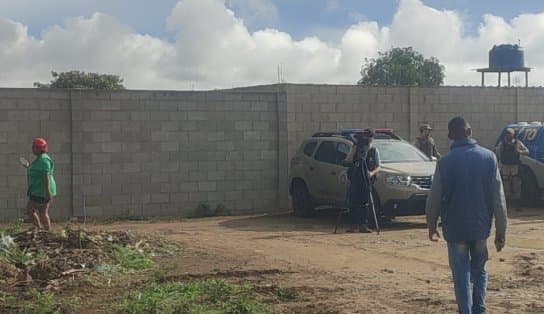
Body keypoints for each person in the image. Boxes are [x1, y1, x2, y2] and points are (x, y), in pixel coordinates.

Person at [426, 117, 507, 314]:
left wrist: (431, 225)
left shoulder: (445, 162)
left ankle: (466, 311)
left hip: (455, 229)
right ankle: (480, 309)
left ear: (449, 136)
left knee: (461, 274)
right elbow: (498, 198)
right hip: (481, 228)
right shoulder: (489, 158)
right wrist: (501, 231)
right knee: (480, 270)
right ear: (470, 132)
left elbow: (434, 198)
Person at [343, 128, 381, 233]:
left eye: (368, 137)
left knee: (364, 202)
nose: (367, 140)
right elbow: (348, 160)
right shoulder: (356, 147)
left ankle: (363, 224)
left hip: (366, 179)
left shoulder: (373, 151)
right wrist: (354, 149)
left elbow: (378, 167)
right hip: (356, 177)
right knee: (353, 201)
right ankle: (353, 224)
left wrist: (371, 173)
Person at [21, 138, 56, 231]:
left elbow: (46, 177)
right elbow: (37, 171)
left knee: (30, 210)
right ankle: (47, 232)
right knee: (42, 212)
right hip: (39, 190)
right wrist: (28, 166)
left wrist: (48, 193)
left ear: (39, 148)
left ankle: (40, 229)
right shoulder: (40, 159)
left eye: (34, 147)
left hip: (42, 191)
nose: (32, 149)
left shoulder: (44, 160)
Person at [495, 128, 529, 198]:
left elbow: (527, 151)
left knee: (516, 184)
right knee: (506, 184)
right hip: (505, 166)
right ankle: (508, 201)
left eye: (510, 134)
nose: (508, 135)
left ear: (513, 135)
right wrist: (497, 166)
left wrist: (520, 151)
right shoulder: (502, 144)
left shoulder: (517, 143)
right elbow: (497, 155)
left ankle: (517, 201)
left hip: (515, 166)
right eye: (507, 133)